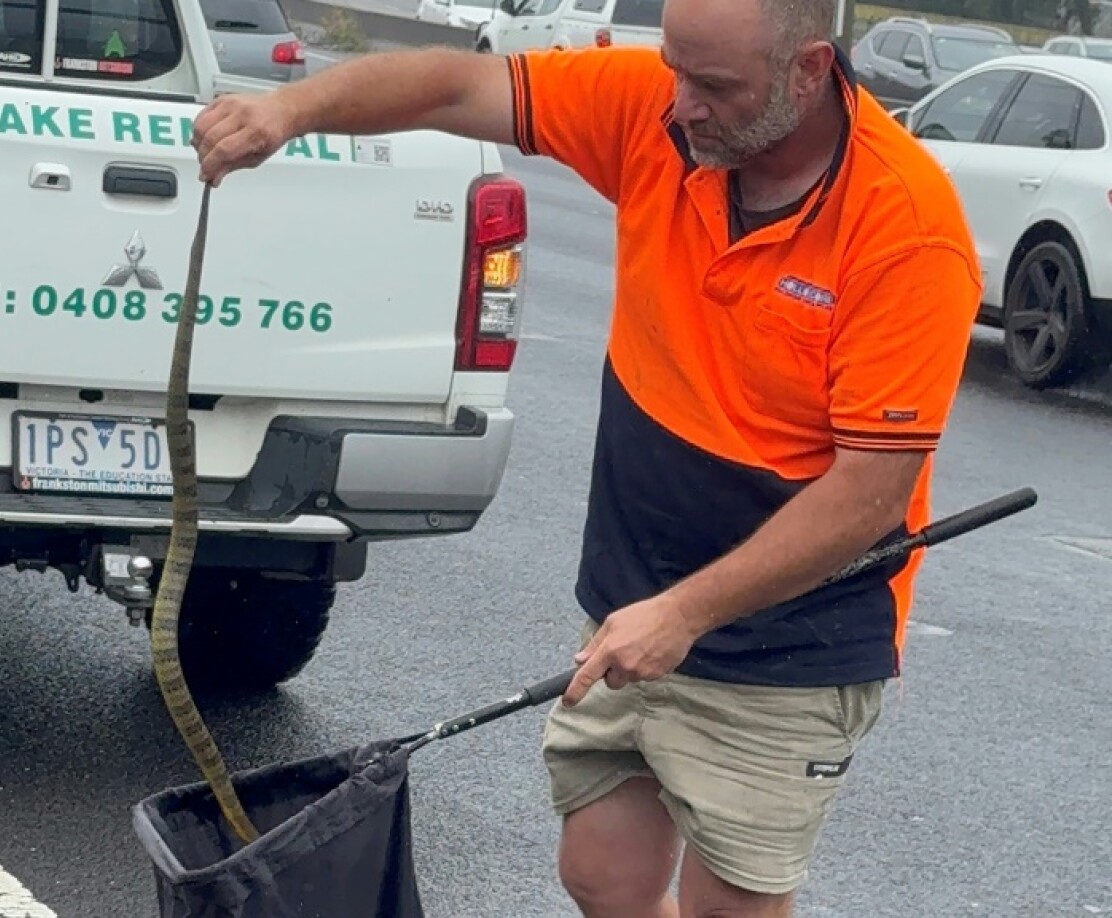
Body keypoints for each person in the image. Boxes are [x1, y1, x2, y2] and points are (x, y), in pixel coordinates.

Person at [192, 0, 982, 913]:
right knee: (602, 873)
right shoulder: (658, 109)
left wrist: (685, 613)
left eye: (714, 85)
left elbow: (869, 495)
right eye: (674, 68)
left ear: (810, 70)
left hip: (788, 641)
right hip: (636, 598)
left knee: (729, 905)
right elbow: (455, 83)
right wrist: (290, 112)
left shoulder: (905, 228)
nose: (680, 103)